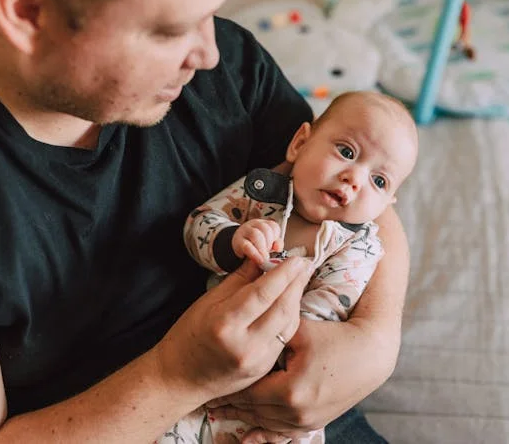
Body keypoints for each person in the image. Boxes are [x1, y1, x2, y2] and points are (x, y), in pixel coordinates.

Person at [0, 0, 411, 442]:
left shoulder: (224, 64)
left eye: (211, 13)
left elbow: (352, 187)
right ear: (26, 10)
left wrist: (376, 340)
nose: (210, 53)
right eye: (171, 30)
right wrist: (179, 375)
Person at [177, 91, 418, 443]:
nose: (354, 178)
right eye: (347, 152)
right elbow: (199, 223)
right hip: (203, 366)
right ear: (300, 143)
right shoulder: (259, 193)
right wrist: (232, 240)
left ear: (385, 204)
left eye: (378, 182)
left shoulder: (357, 249)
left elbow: (325, 316)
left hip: (284, 391)